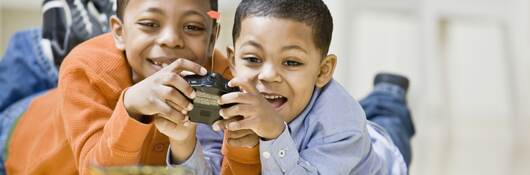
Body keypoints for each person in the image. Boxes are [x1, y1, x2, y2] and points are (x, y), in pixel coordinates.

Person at [166, 0, 414, 174]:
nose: (269, 75)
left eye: (291, 62)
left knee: (389, 122)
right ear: (232, 61)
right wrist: (183, 143)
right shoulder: (222, 102)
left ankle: (389, 93)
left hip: (378, 159)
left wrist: (275, 134)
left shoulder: (341, 123)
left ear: (323, 70)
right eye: (252, 59)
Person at [1, 0, 229, 174]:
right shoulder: (85, 67)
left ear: (211, 40)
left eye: (192, 27)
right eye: (150, 24)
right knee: (37, 66)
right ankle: (44, 49)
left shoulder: (222, 77)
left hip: (90, 88)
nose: (171, 39)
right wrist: (130, 106)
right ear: (119, 33)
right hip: (18, 137)